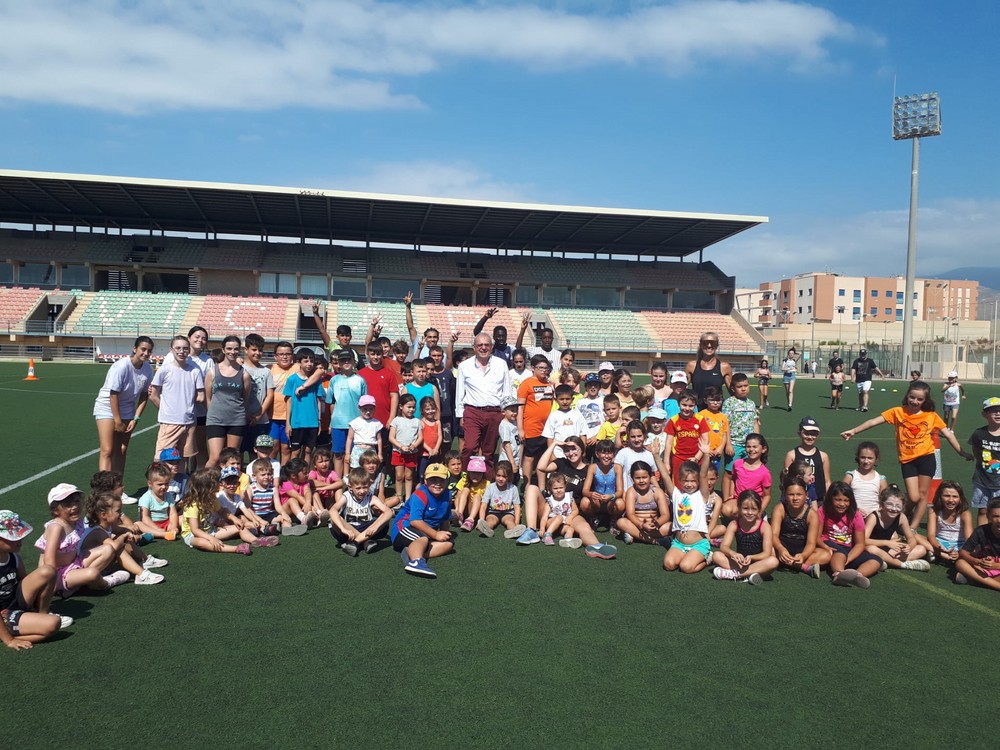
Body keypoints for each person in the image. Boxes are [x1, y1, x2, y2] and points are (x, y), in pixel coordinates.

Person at [841, 380, 973, 528]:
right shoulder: (898, 412)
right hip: (907, 460)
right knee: (914, 496)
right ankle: (909, 510)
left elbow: (948, 434)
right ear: (907, 396)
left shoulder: (931, 415)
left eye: (920, 399)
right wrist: (854, 431)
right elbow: (873, 422)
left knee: (922, 494)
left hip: (927, 457)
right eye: (912, 397)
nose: (915, 401)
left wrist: (962, 452)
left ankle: (913, 527)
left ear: (925, 400)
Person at [35, 484, 129, 597]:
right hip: (59, 573)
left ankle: (78, 584)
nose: (74, 506)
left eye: (76, 501)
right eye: (68, 504)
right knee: (92, 573)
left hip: (75, 563)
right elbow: (49, 559)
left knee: (108, 549)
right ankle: (105, 583)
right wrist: (51, 584)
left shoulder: (77, 522)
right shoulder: (56, 527)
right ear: (55, 510)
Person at [0, 510, 64, 649]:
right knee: (53, 624)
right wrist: (9, 641)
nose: (20, 540)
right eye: (13, 537)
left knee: (48, 571)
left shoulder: (13, 557)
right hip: (3, 614)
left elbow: (24, 581)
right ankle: (6, 635)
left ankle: (42, 613)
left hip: (14, 600)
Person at [94, 335, 154, 475]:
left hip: (127, 408)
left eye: (149, 351)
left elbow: (144, 395)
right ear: (135, 349)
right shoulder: (121, 366)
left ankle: (118, 485)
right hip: (107, 407)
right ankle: (105, 486)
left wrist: (136, 418)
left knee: (121, 449)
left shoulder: (148, 369)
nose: (146, 353)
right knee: (107, 450)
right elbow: (113, 395)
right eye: (143, 349)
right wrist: (118, 421)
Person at [79, 492, 168, 585]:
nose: (120, 514)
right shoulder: (97, 531)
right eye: (118, 511)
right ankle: (141, 575)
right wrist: (124, 536)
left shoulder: (108, 526)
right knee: (118, 546)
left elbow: (121, 530)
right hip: (86, 570)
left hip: (99, 564)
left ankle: (144, 560)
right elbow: (114, 546)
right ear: (104, 515)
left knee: (121, 540)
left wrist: (128, 533)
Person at [455, 332, 512, 475]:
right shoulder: (465, 366)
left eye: (487, 345)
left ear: (492, 347)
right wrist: (460, 415)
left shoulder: (501, 364)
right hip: (472, 411)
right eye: (480, 345)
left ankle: (487, 480)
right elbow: (460, 392)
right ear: (474, 347)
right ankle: (465, 477)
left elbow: (507, 391)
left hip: (495, 412)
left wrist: (506, 412)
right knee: (470, 447)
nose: (483, 348)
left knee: (489, 450)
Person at [391, 463, 455, 578]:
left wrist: (444, 534)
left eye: (441, 480)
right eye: (433, 480)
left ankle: (411, 552)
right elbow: (415, 521)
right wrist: (436, 534)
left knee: (449, 544)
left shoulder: (448, 495)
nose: (437, 484)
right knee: (423, 538)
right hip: (404, 528)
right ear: (425, 481)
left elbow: (445, 519)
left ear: (447, 481)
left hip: (424, 532)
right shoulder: (420, 494)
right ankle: (416, 561)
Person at [659, 441, 713, 575]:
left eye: (693, 481)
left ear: (698, 482)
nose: (689, 484)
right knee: (668, 565)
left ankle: (707, 559)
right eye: (686, 481)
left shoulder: (702, 495)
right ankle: (687, 555)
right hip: (679, 543)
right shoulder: (676, 494)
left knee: (686, 567)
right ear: (680, 480)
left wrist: (706, 455)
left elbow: (703, 474)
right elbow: (665, 476)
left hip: (698, 544)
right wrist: (655, 455)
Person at [149, 335, 205, 464]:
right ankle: (158, 478)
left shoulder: (195, 371)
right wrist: (166, 408)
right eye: (178, 348)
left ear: (189, 350)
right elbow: (153, 395)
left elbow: (201, 396)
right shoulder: (164, 370)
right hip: (169, 422)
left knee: (183, 459)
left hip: (189, 422)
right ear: (171, 350)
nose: (181, 351)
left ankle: (181, 478)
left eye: (185, 348)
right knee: (161, 459)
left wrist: (186, 402)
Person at [817, 482, 882, 588]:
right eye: (838, 500)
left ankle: (857, 576)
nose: (842, 504)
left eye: (846, 500)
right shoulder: (822, 511)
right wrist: (825, 547)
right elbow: (817, 537)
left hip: (848, 548)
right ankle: (839, 574)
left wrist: (848, 559)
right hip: (829, 544)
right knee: (840, 553)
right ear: (830, 499)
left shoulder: (856, 515)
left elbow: (860, 544)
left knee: (876, 560)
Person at [179, 469, 254, 555]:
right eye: (215, 483)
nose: (219, 485)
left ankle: (256, 541)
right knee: (201, 543)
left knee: (240, 527)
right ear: (206, 487)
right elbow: (195, 530)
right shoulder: (192, 505)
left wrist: (234, 519)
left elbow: (222, 511)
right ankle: (236, 548)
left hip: (211, 530)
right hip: (193, 535)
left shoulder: (212, 498)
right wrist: (211, 538)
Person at [712, 490, 779, 584]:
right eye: (745, 508)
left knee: (773, 561)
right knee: (716, 555)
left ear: (759, 510)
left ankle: (735, 574)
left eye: (754, 509)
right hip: (740, 562)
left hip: (759, 562)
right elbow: (724, 546)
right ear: (739, 508)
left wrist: (751, 557)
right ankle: (750, 575)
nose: (750, 512)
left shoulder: (764, 526)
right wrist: (733, 553)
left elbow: (766, 553)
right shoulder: (734, 524)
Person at [204, 335, 251, 467]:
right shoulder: (212, 371)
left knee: (232, 458)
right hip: (215, 419)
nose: (232, 352)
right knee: (215, 458)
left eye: (235, 349)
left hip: (236, 419)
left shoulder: (244, 374)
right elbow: (208, 397)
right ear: (223, 349)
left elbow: (245, 397)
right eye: (229, 348)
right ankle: (203, 480)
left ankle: (231, 480)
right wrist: (213, 413)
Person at [329, 467, 393, 556]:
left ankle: (355, 542)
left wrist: (374, 527)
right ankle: (366, 542)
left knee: (385, 516)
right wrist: (343, 529)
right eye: (358, 488)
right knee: (334, 519)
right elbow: (332, 510)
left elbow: (388, 512)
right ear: (350, 487)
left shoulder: (371, 497)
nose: (362, 491)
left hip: (367, 529)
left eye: (365, 487)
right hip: (349, 530)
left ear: (369, 485)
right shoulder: (346, 496)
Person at [864, 485, 930, 571]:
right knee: (871, 549)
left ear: (903, 506)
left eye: (898, 506)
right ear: (882, 504)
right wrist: (886, 543)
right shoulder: (874, 517)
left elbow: (911, 538)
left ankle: (885, 561)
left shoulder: (901, 517)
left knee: (921, 549)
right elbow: (863, 540)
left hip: (888, 549)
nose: (894, 509)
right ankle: (902, 564)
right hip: (871, 548)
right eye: (889, 504)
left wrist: (910, 546)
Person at [357, 341, 400, 473]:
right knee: (365, 452)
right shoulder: (360, 374)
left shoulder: (388, 374)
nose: (375, 357)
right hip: (365, 420)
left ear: (382, 355)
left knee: (383, 451)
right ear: (368, 354)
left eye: (378, 354)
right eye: (373, 354)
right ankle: (364, 477)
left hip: (383, 419)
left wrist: (391, 417)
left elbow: (394, 396)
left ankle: (382, 476)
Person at [325, 349, 368, 478]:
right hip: (338, 423)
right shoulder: (334, 380)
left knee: (355, 455)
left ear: (354, 362)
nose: (346, 362)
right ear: (338, 363)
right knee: (338, 454)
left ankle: (354, 480)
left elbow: (364, 403)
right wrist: (331, 422)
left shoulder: (360, 380)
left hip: (356, 423)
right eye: (343, 360)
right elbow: (331, 402)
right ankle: (338, 481)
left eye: (349, 360)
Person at [770, 477, 825, 577]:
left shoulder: (812, 515)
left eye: (799, 494)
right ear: (785, 495)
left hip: (801, 549)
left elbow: (811, 543)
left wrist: (803, 555)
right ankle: (803, 567)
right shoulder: (780, 508)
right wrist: (781, 549)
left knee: (826, 555)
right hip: (781, 546)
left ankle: (785, 563)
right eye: (791, 494)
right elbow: (773, 535)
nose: (795, 498)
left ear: (806, 495)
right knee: (768, 550)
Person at [517, 354, 555, 487]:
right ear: (533, 368)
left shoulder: (549, 384)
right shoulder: (526, 384)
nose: (544, 370)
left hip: (547, 429)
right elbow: (520, 407)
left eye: (546, 368)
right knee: (529, 457)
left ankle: (542, 486)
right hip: (532, 427)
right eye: (541, 368)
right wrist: (520, 429)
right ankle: (527, 485)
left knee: (544, 457)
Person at [721, 373, 759, 503]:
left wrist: (758, 442)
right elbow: (726, 424)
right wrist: (728, 444)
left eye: (746, 386)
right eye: (739, 386)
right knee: (730, 472)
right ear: (733, 388)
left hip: (749, 446)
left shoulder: (751, 403)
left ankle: (742, 497)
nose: (743, 389)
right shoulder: (729, 403)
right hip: (735, 444)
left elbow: (755, 423)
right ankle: (726, 499)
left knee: (747, 472)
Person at [283, 347, 325, 463]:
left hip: (312, 422)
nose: (309, 364)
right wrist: (288, 423)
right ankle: (294, 472)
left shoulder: (316, 380)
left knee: (308, 450)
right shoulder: (292, 379)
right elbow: (288, 401)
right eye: (306, 361)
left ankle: (305, 472)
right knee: (295, 451)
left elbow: (318, 400)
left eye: (311, 361)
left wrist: (319, 421)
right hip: (297, 422)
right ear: (299, 362)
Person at [615, 461, 670, 545]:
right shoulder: (631, 492)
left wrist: (656, 524)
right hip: (637, 526)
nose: (641, 481)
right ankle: (654, 541)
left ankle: (635, 536)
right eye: (637, 478)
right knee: (621, 522)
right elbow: (630, 514)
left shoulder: (657, 491)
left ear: (650, 477)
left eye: (644, 477)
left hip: (654, 527)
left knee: (670, 526)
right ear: (632, 478)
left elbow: (665, 515)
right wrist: (641, 525)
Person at [922, 481, 973, 566]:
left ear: (960, 499)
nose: (951, 500)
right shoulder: (933, 511)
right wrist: (938, 547)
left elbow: (969, 539)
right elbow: (931, 535)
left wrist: (959, 552)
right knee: (916, 536)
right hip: (940, 543)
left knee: (976, 548)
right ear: (940, 497)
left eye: (955, 496)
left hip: (959, 545)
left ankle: (935, 554)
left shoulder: (965, 513)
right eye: (946, 496)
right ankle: (942, 555)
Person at [954, 497, 1000, 589]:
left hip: (995, 567)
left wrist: (995, 565)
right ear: (988, 516)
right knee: (960, 563)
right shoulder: (981, 531)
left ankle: (974, 579)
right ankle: (996, 585)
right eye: (995, 516)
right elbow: (963, 552)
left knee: (966, 569)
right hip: (984, 568)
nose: (999, 520)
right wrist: (977, 561)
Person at [241, 333, 275, 455]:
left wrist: (258, 416)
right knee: (238, 453)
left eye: (260, 350)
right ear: (246, 350)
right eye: (254, 350)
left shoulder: (266, 371)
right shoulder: (240, 368)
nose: (257, 353)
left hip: (260, 420)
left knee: (256, 453)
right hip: (240, 418)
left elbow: (270, 395)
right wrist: (244, 413)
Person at [782, 417, 831, 502]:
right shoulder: (791, 455)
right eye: (806, 433)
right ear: (799, 433)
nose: (810, 437)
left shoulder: (823, 456)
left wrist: (829, 500)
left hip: (819, 500)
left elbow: (827, 482)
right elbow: (787, 480)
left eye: (814, 434)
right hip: (798, 500)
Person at [664, 389, 709, 479]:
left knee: (696, 482)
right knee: (678, 482)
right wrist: (666, 463)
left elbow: (706, 440)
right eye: (684, 405)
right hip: (679, 458)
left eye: (691, 406)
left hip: (697, 458)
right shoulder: (673, 420)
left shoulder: (700, 420)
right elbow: (668, 443)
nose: (687, 408)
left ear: (695, 406)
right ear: (678, 404)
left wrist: (696, 458)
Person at [968, 397, 1000, 525]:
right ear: (985, 414)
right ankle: (982, 535)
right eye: (993, 411)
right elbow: (976, 451)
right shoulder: (979, 433)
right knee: (983, 511)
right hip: (982, 480)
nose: (998, 413)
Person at [475, 460, 525, 539]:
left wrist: (517, 523)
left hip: (508, 512)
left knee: (510, 522)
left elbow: (517, 507)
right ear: (495, 474)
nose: (501, 479)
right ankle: (485, 529)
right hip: (493, 512)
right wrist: (481, 520)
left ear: (509, 477)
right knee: (490, 521)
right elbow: (483, 505)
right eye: (498, 475)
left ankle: (513, 531)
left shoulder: (513, 488)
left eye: (504, 476)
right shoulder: (490, 487)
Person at [268, 340, 299, 465]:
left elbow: (318, 370)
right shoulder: (270, 369)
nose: (285, 357)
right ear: (275, 356)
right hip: (273, 416)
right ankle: (270, 472)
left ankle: (283, 474)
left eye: (288, 354)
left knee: (286, 448)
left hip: (290, 417)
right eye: (281, 354)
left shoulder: (297, 368)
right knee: (273, 447)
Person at [582, 439, 623, 530]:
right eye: (603, 453)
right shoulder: (593, 467)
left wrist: (611, 496)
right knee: (584, 502)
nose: (606, 456)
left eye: (610, 453)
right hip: (597, 502)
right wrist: (591, 494)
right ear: (597, 454)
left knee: (620, 503)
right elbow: (585, 490)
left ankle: (613, 520)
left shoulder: (617, 467)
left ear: (614, 454)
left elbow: (620, 491)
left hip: (610, 501)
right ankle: (593, 518)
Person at [389, 393, 423, 500]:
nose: (411, 410)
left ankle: (408, 498)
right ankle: (399, 497)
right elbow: (391, 437)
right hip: (398, 452)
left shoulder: (417, 421)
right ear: (401, 406)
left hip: (411, 453)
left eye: (413, 407)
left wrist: (414, 445)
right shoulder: (396, 420)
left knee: (409, 476)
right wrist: (400, 446)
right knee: (399, 476)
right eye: (409, 407)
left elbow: (420, 437)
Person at [685, 332, 733, 408]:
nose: (709, 345)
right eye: (705, 343)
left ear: (717, 345)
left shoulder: (724, 367)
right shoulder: (691, 366)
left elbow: (733, 392)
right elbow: (683, 389)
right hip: (696, 411)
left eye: (713, 343)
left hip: (716, 411)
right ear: (700, 345)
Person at [312, 301, 364, 369]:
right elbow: (322, 331)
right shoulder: (333, 347)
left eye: (347, 335)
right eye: (342, 335)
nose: (345, 338)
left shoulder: (355, 353)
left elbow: (362, 371)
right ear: (337, 337)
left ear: (351, 337)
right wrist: (316, 314)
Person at [135, 463, 179, 541]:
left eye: (166, 484)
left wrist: (173, 527)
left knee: (182, 518)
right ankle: (163, 534)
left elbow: (173, 513)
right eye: (160, 484)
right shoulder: (146, 498)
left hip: (166, 523)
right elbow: (145, 517)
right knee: (138, 524)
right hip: (151, 525)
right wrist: (157, 529)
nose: (164, 487)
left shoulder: (168, 495)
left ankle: (169, 532)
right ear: (150, 484)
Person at [843, 441, 887, 517]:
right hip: (854, 515)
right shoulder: (850, 476)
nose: (866, 461)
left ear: (876, 459)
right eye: (863, 457)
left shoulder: (881, 480)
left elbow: (884, 501)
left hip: (874, 517)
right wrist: (855, 509)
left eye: (870, 458)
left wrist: (876, 513)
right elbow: (842, 497)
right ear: (858, 457)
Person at [542, 384, 588, 457]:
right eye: (561, 399)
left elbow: (583, 435)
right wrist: (552, 455)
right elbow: (549, 437)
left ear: (572, 399)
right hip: (558, 454)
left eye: (567, 399)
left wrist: (583, 450)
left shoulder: (578, 415)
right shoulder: (553, 416)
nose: (565, 402)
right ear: (556, 400)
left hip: (575, 453)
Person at [403, 291, 442, 362]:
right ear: (425, 338)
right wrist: (408, 307)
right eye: (429, 337)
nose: (432, 339)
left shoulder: (441, 354)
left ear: (438, 338)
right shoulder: (418, 345)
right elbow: (410, 327)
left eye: (434, 337)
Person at [780, 347, 799, 411]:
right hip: (786, 376)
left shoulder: (794, 360)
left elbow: (800, 354)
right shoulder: (785, 360)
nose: (791, 354)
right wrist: (788, 369)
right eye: (790, 353)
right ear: (788, 354)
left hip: (792, 376)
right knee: (787, 392)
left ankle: (790, 404)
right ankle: (788, 404)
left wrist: (795, 352)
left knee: (791, 390)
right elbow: (782, 369)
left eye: (792, 353)